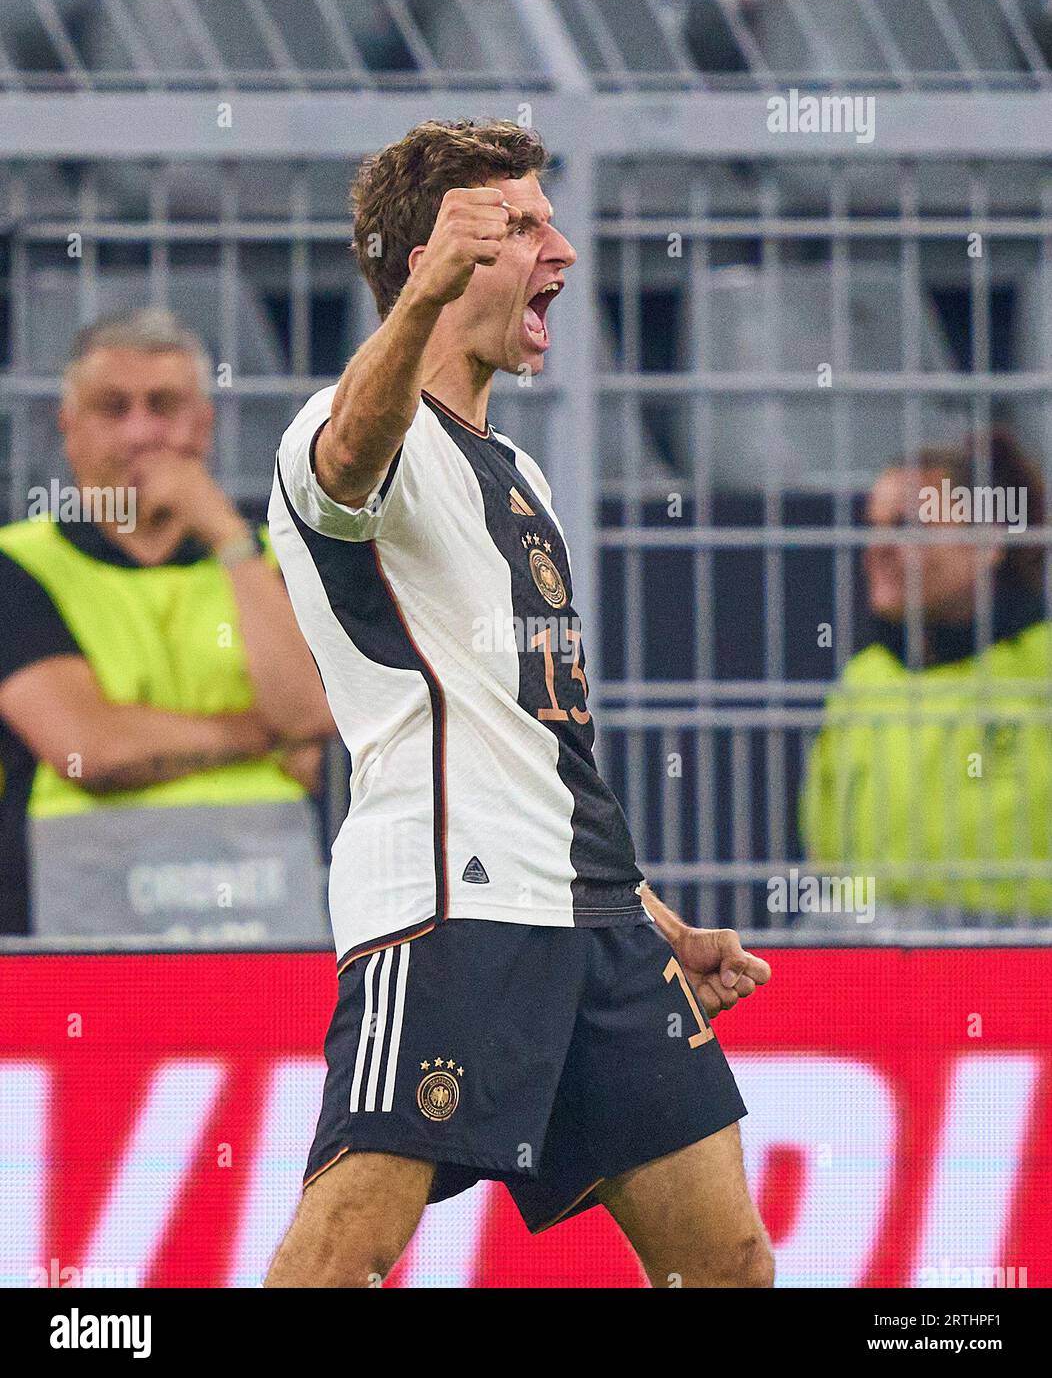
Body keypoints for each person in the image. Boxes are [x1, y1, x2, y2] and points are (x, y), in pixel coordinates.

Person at [265, 119, 773, 1289]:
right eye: (523, 225)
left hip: (590, 918)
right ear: (435, 252)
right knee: (347, 1249)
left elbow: (531, 738)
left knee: (728, 1261)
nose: (564, 249)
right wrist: (421, 294)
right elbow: (349, 461)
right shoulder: (337, 431)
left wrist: (653, 922)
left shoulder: (520, 472)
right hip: (451, 897)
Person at [0, 309, 336, 938]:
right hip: (75, 930)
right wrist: (260, 735)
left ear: (203, 427)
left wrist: (230, 541)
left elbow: (310, 715)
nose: (141, 434)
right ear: (68, 429)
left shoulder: (270, 560)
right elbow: (88, 750)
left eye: (164, 406)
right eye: (112, 408)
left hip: (260, 922)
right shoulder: (18, 566)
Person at [801, 429, 1052, 919]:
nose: (878, 548)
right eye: (872, 527)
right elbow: (824, 844)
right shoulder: (864, 679)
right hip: (873, 957)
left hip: (1023, 958)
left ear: (987, 542)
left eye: (906, 526)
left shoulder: (1042, 666)